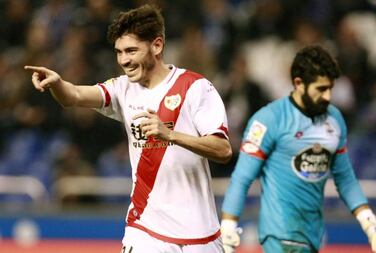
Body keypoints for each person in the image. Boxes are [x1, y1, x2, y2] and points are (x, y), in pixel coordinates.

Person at [25, 4, 232, 253]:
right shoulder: (122, 88)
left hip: (201, 234)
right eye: (119, 52)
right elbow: (75, 95)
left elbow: (223, 149)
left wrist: (170, 135)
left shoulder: (196, 87)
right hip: (145, 229)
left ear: (157, 46)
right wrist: (58, 83)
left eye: (131, 50)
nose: (124, 60)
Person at [220, 45, 376, 253]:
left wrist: (370, 223)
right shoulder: (269, 120)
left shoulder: (334, 119)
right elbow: (242, 177)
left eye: (330, 88)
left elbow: (345, 179)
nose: (328, 96)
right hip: (279, 235)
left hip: (313, 236)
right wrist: (228, 228)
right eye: (321, 89)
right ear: (299, 84)